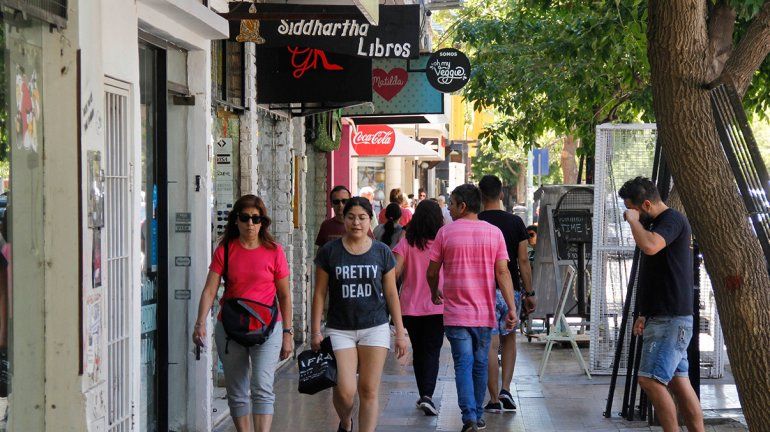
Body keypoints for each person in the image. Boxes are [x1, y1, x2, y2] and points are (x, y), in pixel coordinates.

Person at [193, 195, 293, 432]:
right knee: (236, 391)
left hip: (267, 328)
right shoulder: (225, 250)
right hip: (231, 328)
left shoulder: (274, 251)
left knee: (262, 387)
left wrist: (288, 332)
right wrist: (200, 322)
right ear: (236, 220)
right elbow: (210, 289)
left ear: (263, 222)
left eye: (256, 218)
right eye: (245, 218)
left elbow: (285, 295)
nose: (250, 223)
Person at [311, 197, 408, 432]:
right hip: (339, 328)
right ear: (344, 219)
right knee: (345, 391)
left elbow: (392, 294)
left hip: (375, 327)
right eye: (351, 217)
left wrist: (400, 332)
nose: (356, 223)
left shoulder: (382, 252)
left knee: (368, 389)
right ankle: (345, 421)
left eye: (362, 218)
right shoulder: (330, 251)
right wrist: (315, 331)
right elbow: (320, 293)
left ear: (370, 220)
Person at [427, 184, 518, 432]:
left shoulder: (445, 233)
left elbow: (432, 271)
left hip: (456, 315)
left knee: (463, 365)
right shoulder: (494, 233)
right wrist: (511, 307)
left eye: (452, 204)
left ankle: (469, 416)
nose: (449, 208)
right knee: (479, 364)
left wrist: (434, 290)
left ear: (462, 206)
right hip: (484, 315)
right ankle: (476, 414)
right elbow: (502, 272)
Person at [619, 177, 703, 432]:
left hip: (671, 317)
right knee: (678, 381)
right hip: (661, 315)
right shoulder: (655, 223)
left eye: (631, 209)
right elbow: (654, 271)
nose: (629, 215)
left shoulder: (672, 220)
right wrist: (644, 312)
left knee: (650, 380)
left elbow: (650, 246)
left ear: (645, 204)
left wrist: (634, 223)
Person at [477, 175, 536, 413]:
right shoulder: (515, 222)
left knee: (490, 345)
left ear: (481, 196)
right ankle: (506, 389)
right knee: (510, 339)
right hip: (510, 289)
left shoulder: (476, 221)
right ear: (501, 194)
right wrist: (529, 292)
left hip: (483, 290)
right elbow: (523, 260)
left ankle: (492, 399)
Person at [392, 200, 445, 416]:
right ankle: (427, 395)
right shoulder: (443, 244)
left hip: (410, 308)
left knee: (420, 351)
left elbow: (394, 274)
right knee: (432, 351)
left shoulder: (405, 244)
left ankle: (425, 393)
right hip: (438, 306)